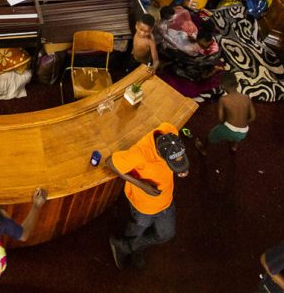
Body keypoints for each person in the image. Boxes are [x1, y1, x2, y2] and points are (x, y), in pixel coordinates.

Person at [106, 122, 190, 270]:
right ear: (159, 153)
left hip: (166, 201)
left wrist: (180, 168)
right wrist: (141, 184)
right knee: (135, 231)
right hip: (142, 206)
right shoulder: (140, 153)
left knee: (167, 234)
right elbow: (110, 163)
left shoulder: (170, 132)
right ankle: (133, 248)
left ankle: (125, 247)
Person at [194, 74, 255, 154]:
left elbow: (221, 118)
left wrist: (227, 124)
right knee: (236, 137)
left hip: (229, 130)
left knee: (212, 134)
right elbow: (252, 117)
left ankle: (203, 148)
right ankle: (234, 146)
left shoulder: (223, 99)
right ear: (236, 84)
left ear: (222, 86)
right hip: (243, 132)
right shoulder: (246, 97)